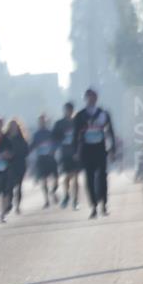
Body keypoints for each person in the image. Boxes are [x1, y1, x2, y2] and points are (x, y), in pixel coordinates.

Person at [72, 88, 116, 219]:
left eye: (93, 97)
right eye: (89, 97)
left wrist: (112, 150)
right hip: (87, 149)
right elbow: (76, 135)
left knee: (103, 176)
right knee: (89, 179)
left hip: (100, 148)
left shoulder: (103, 113)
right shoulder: (80, 116)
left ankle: (104, 205)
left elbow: (110, 132)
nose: (91, 99)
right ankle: (94, 206)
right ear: (86, 98)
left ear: (96, 98)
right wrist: (75, 151)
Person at [52, 102, 80, 210]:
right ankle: (67, 195)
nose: (69, 112)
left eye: (70, 110)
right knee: (67, 177)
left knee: (76, 177)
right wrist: (59, 142)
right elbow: (54, 138)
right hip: (65, 153)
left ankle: (76, 200)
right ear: (64, 110)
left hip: (76, 153)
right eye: (67, 110)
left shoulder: (77, 122)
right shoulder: (59, 123)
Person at [30, 114, 59, 208]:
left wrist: (53, 149)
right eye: (41, 121)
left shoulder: (51, 133)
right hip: (41, 159)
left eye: (44, 121)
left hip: (51, 158)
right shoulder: (36, 134)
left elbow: (57, 143)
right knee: (43, 179)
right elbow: (32, 146)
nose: (42, 123)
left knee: (56, 178)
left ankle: (53, 191)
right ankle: (46, 200)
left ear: (47, 122)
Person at [6, 119, 29, 215]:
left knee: (19, 186)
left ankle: (18, 206)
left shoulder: (21, 138)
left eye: (15, 125)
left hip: (20, 164)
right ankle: (9, 203)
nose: (13, 127)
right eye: (12, 125)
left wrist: (17, 153)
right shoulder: (6, 138)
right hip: (9, 165)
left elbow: (26, 150)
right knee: (10, 185)